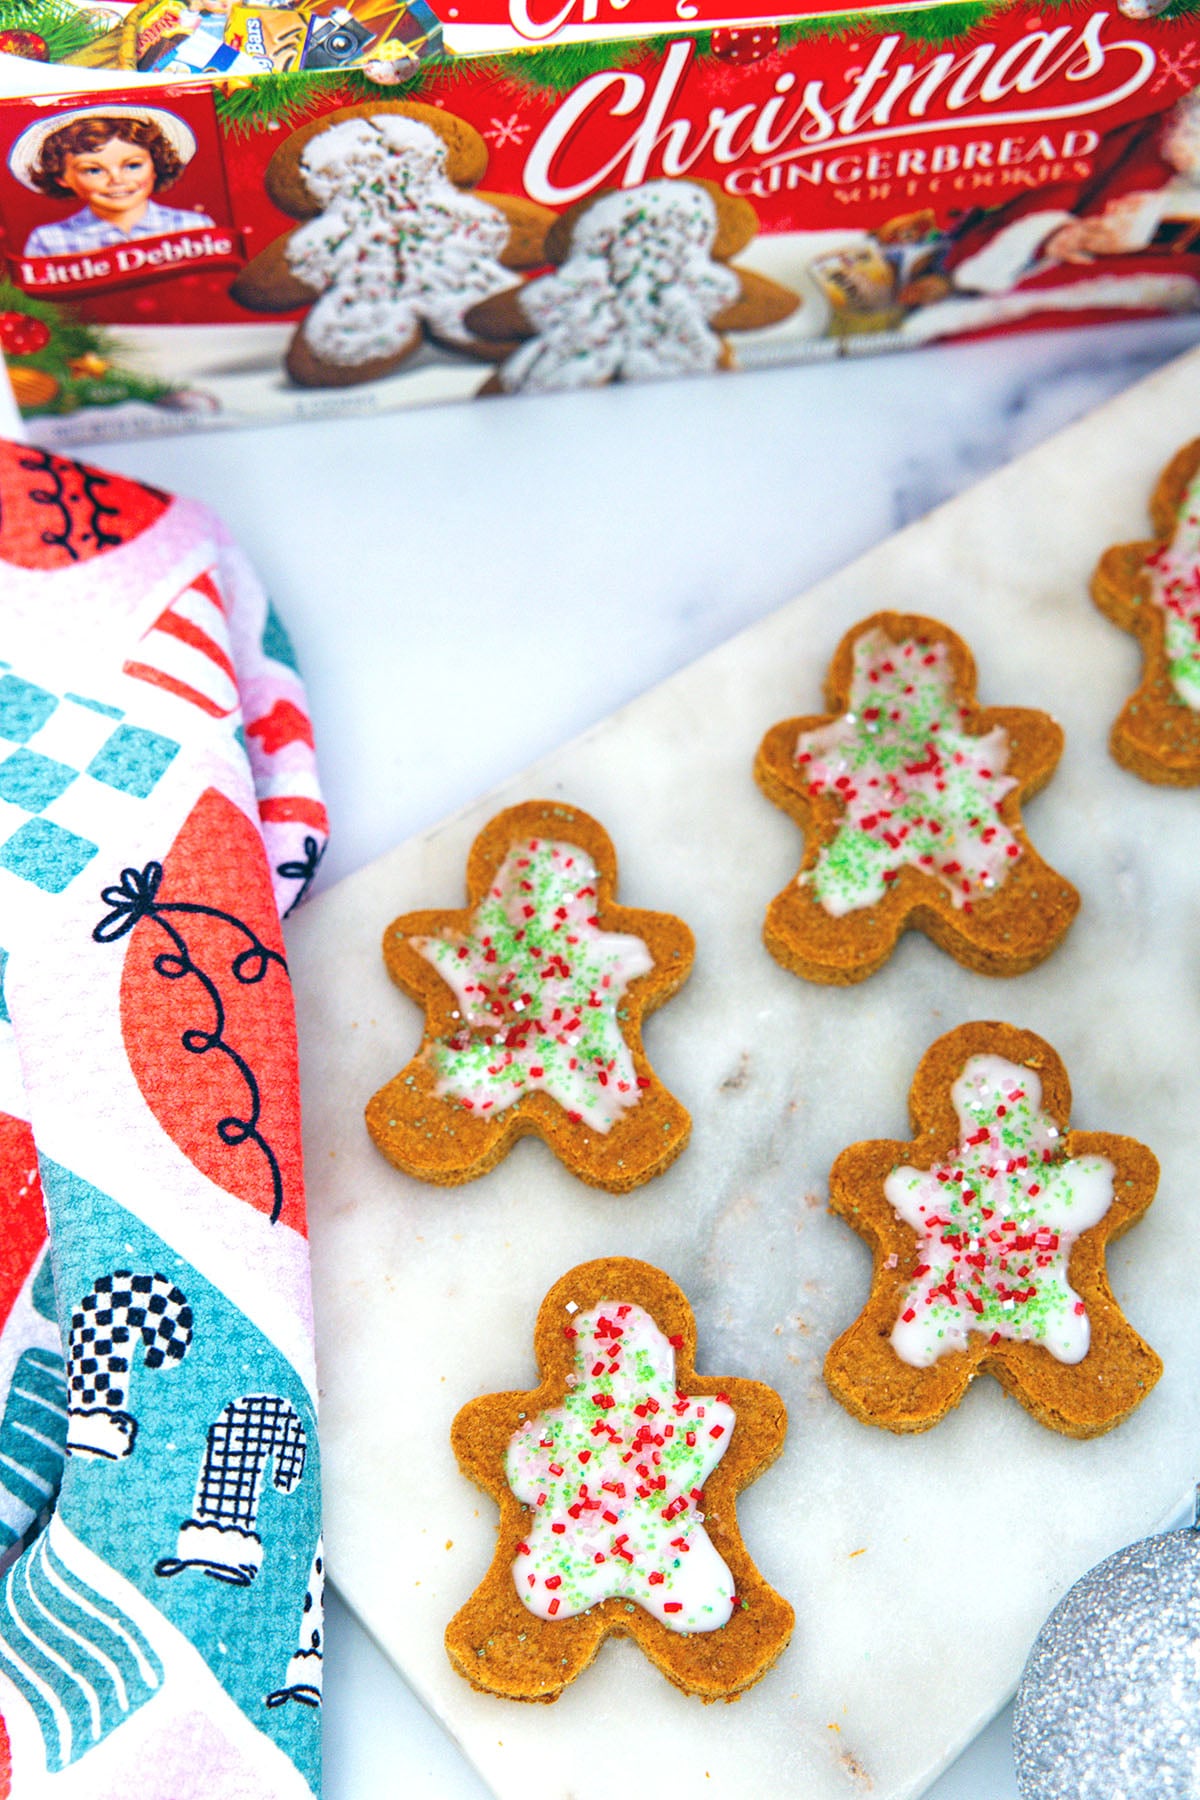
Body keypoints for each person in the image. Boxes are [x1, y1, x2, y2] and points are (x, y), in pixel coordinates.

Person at [12, 107, 213, 255]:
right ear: (61, 178)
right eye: (93, 170)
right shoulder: (48, 241)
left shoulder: (192, 226)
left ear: (155, 165)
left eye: (133, 166)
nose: (117, 180)